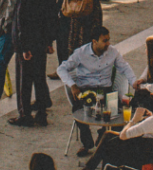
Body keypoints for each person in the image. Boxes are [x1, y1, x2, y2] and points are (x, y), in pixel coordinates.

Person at [57, 26, 135, 158]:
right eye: (104, 41)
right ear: (94, 41)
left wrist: (134, 82)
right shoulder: (80, 53)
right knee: (78, 110)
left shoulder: (113, 52)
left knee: (121, 114)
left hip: (105, 89)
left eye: (108, 40)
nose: (108, 43)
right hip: (86, 89)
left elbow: (125, 68)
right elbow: (61, 69)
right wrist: (73, 85)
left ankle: (103, 136)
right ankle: (87, 143)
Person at [83, 80, 153, 170]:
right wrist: (151, 117)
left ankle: (89, 168)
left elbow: (123, 136)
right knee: (108, 137)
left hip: (141, 155)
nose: (152, 96)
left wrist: (134, 120)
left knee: (108, 140)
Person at [10, 0, 59, 127]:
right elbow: (52, 20)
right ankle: (42, 113)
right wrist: (49, 42)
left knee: (24, 81)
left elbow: (22, 22)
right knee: (39, 77)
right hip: (41, 44)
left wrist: (24, 47)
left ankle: (25, 115)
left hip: (28, 46)